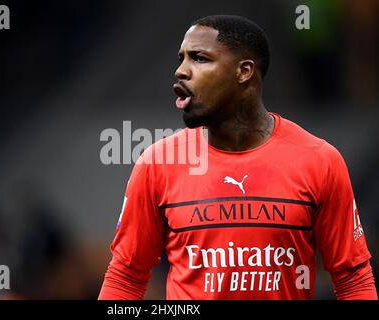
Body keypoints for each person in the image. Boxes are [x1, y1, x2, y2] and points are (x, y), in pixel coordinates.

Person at [98, 15, 377, 300]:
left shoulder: (320, 160)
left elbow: (353, 280)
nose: (181, 71)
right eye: (181, 59)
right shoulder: (157, 163)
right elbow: (125, 278)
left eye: (200, 58)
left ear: (244, 71)